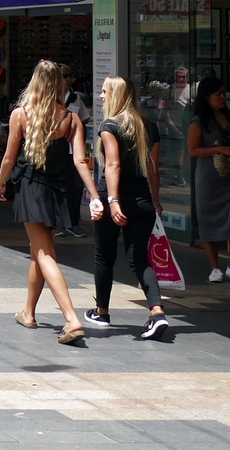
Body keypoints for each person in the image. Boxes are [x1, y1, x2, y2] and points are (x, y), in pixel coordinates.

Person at [0, 60, 98, 346]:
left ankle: (71, 319)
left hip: (33, 187)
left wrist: (1, 183)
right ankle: (28, 312)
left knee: (45, 254)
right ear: (59, 85)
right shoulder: (71, 118)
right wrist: (96, 195)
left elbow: (8, 158)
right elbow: (80, 161)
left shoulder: (21, 115)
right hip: (61, 189)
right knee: (38, 250)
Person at [83, 76, 170, 340]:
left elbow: (113, 165)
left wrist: (112, 200)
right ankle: (157, 312)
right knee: (139, 259)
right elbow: (153, 168)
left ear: (116, 96)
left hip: (116, 200)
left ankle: (102, 311)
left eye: (104, 92)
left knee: (104, 256)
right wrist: (156, 200)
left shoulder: (110, 126)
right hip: (143, 200)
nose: (100, 96)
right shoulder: (150, 127)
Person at [186, 76, 230, 284]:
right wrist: (218, 149)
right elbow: (193, 150)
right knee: (208, 218)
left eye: (224, 94)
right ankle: (214, 267)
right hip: (208, 177)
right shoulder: (198, 122)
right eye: (218, 94)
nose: (223, 98)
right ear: (207, 98)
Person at [57, 64, 92, 238]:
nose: (68, 79)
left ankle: (73, 223)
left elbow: (83, 122)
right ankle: (60, 224)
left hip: (72, 151)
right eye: (64, 76)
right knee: (57, 189)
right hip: (55, 152)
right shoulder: (48, 101)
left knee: (75, 187)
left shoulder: (75, 100)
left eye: (70, 76)